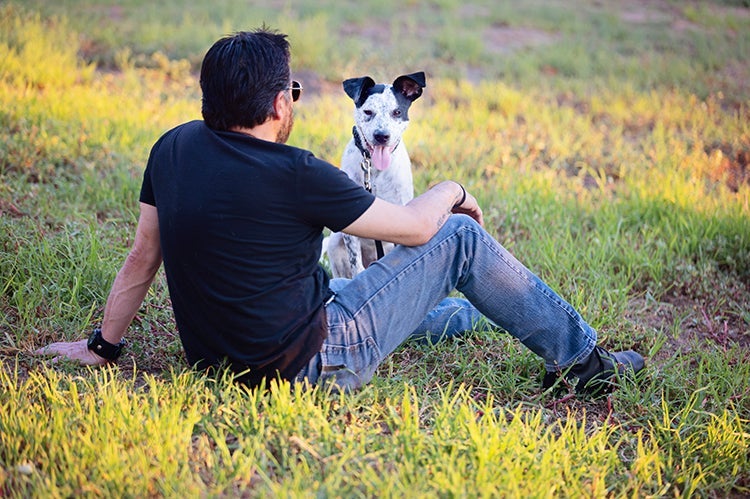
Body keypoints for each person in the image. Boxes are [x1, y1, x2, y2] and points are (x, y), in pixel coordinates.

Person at [36, 28, 644, 396]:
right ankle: (584, 361)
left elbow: (143, 258)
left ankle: (481, 313)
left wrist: (102, 348)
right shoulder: (298, 172)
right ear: (279, 103)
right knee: (457, 239)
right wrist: (454, 187)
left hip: (216, 357)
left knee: (435, 304)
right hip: (316, 361)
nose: (293, 103)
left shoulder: (170, 148)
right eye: (293, 93)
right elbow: (416, 228)